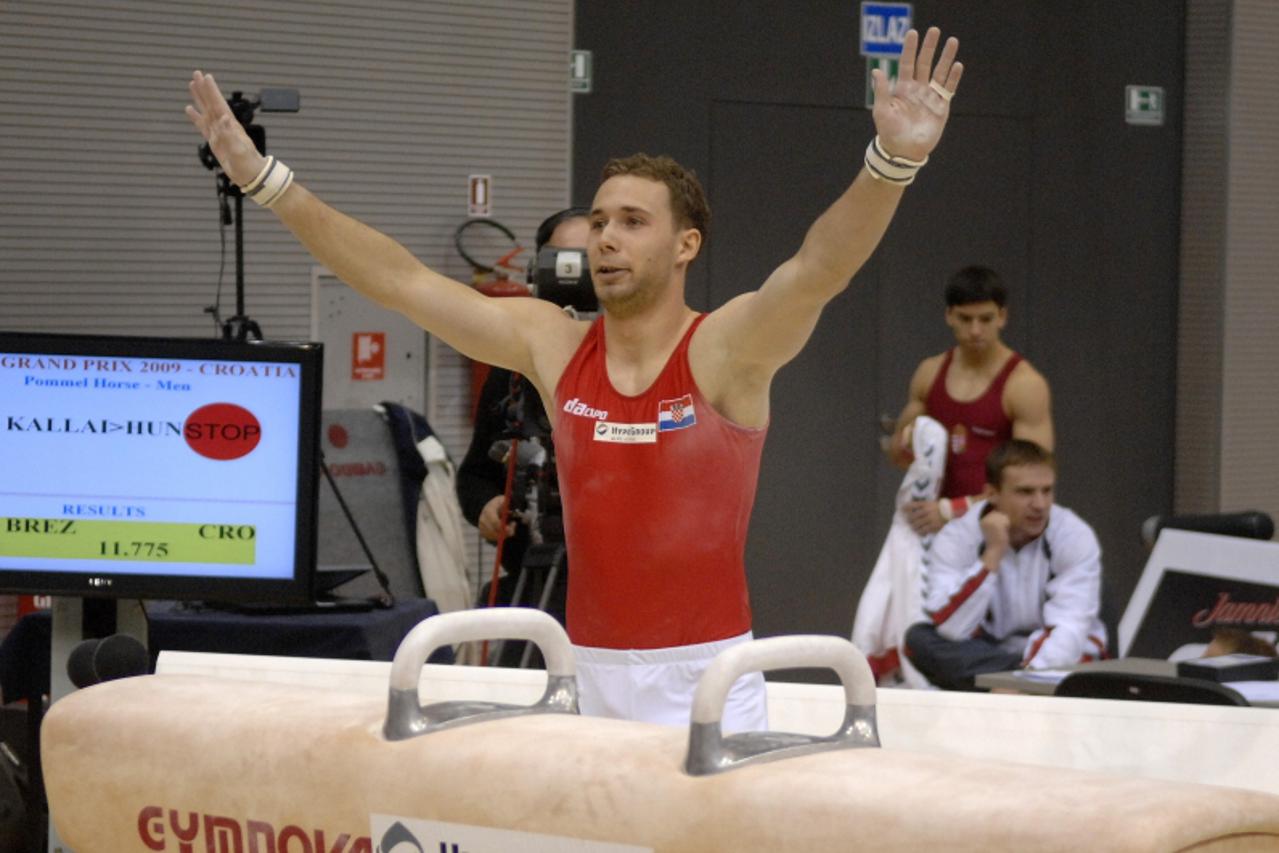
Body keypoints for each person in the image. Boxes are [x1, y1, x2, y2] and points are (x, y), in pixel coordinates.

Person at [184, 26, 964, 729]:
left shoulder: (722, 350)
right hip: (585, 672)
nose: (606, 239)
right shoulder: (552, 345)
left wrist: (892, 162)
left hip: (704, 679)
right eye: (598, 221)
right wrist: (266, 181)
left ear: (686, 244)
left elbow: (818, 269)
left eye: (632, 221)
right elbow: (401, 281)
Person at [456, 208, 589, 660]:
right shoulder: (512, 372)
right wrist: (486, 507)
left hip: (616, 593)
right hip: (530, 589)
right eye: (564, 260)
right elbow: (474, 474)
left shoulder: (639, 364)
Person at [903, 440, 1108, 690]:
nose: (1040, 504)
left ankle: (1000, 686)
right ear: (992, 494)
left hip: (1062, 655)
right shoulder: (957, 537)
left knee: (1077, 652)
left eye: (1047, 491)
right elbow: (952, 628)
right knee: (919, 640)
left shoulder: (1074, 535)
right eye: (1025, 492)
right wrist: (993, 553)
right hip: (991, 653)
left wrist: (1027, 681)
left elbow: (1070, 627)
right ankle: (1004, 684)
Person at [887, 265, 1053, 537]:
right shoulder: (929, 374)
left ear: (1002, 317)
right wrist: (908, 442)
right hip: (936, 529)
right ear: (949, 316)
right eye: (965, 319)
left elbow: (1031, 484)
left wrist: (954, 510)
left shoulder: (1024, 385)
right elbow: (898, 455)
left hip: (997, 532)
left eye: (985, 319)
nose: (975, 331)